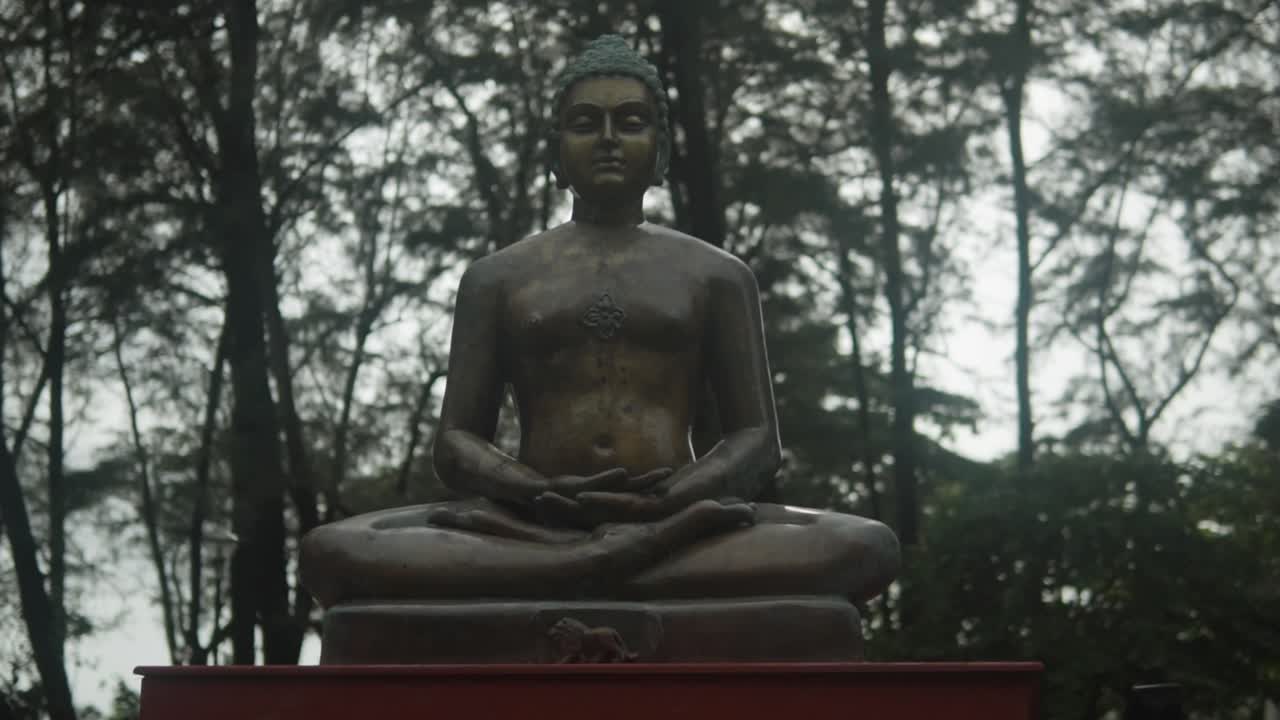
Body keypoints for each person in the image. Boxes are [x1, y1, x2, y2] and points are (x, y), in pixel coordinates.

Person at [299, 35, 898, 609]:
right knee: (331, 551)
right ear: (555, 146)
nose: (609, 139)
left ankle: (585, 567)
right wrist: (534, 490)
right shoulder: (497, 277)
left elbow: (757, 441)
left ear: (660, 147)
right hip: (527, 522)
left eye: (631, 122)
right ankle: (608, 562)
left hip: (682, 520)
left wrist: (669, 499)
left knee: (864, 545)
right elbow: (456, 442)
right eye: (586, 124)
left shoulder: (716, 274)